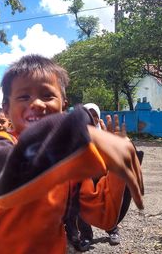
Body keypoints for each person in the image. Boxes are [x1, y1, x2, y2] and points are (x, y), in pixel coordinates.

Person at [0, 54, 144, 253]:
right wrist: (81, 126)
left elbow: (103, 216)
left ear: (63, 105)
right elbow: (5, 187)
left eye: (47, 95)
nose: (37, 104)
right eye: (24, 96)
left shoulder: (70, 162)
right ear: (6, 109)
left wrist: (117, 167)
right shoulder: (1, 144)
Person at [65, 103, 128, 251]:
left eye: (95, 116)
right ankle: (86, 235)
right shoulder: (75, 136)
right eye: (88, 116)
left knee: (107, 202)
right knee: (82, 207)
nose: (92, 120)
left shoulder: (105, 135)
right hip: (83, 177)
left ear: (98, 118)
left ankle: (112, 230)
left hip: (102, 176)